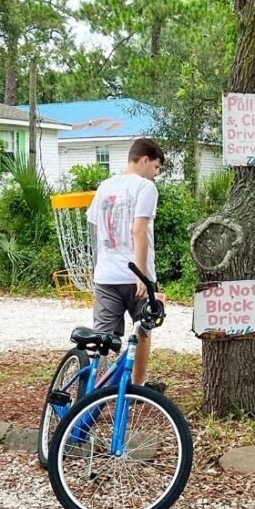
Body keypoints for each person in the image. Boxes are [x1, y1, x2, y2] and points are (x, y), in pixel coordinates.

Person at [86, 137, 164, 386]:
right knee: (142, 332)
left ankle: (94, 392)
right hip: (136, 277)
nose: (155, 174)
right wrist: (142, 274)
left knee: (102, 339)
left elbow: (95, 228)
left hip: (106, 276)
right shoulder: (145, 187)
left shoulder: (105, 186)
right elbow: (139, 230)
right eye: (156, 167)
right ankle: (136, 388)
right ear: (144, 160)